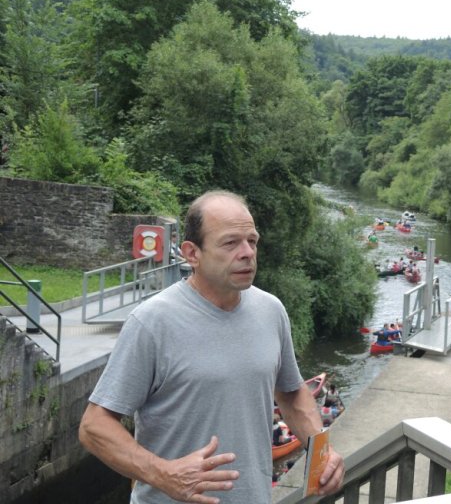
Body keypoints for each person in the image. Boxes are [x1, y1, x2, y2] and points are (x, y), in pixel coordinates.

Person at [79, 190, 344, 503]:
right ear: (192, 253)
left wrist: (321, 451)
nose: (247, 253)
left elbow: (291, 393)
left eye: (252, 241)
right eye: (230, 243)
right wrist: (164, 474)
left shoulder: (271, 311)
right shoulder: (152, 322)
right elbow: (94, 426)